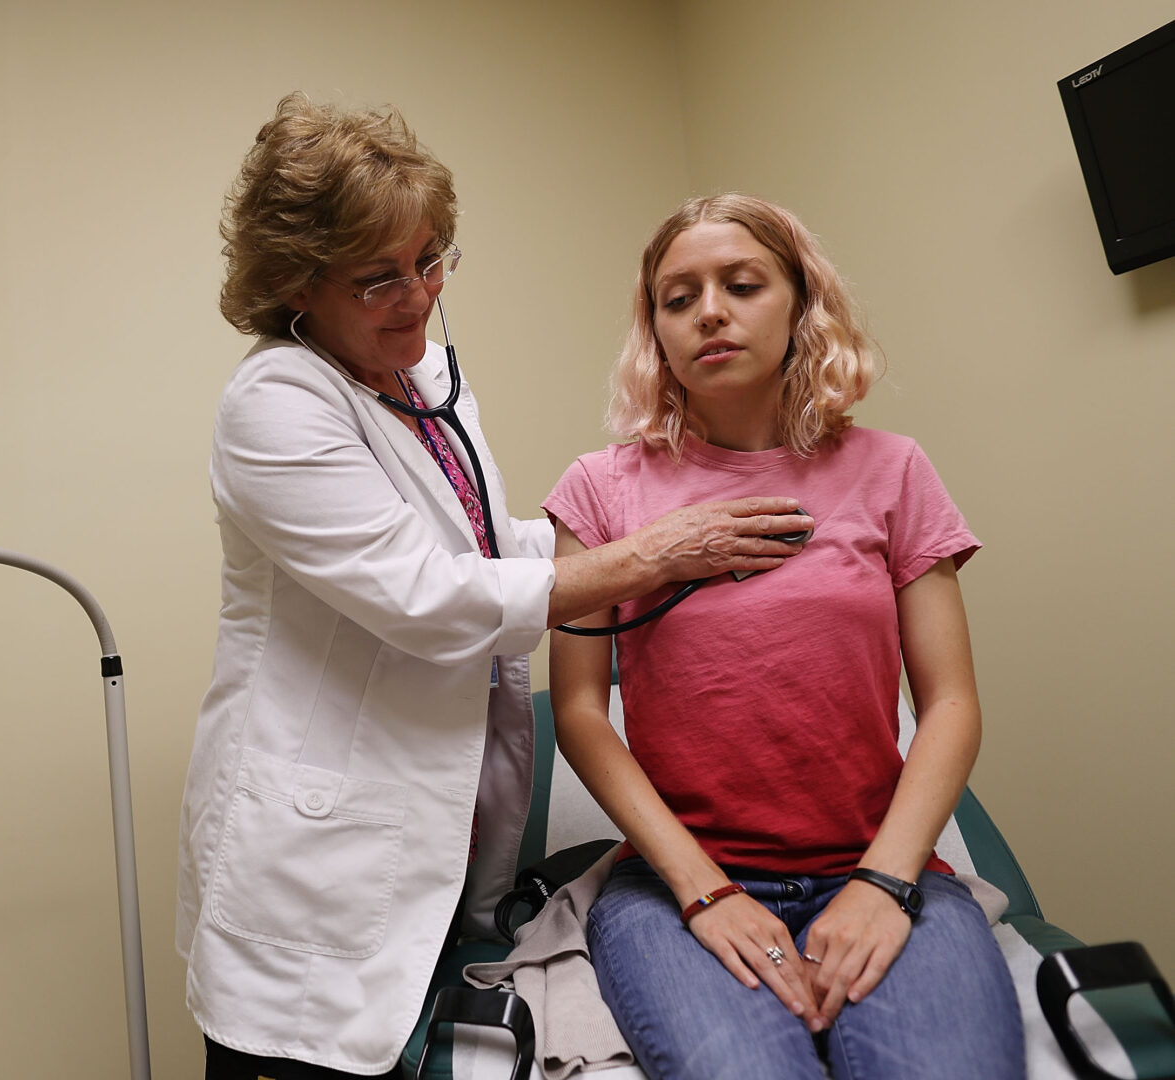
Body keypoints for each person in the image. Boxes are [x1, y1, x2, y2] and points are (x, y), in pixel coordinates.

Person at [175, 100, 815, 1080]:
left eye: (432, 259)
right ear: (297, 282)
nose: (417, 296)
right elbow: (431, 598)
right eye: (379, 277)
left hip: (443, 828)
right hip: (316, 859)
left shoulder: (422, 375)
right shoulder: (276, 403)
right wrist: (654, 552)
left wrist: (622, 525)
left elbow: (482, 543)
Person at [544, 193, 1025, 1079]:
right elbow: (578, 710)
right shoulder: (599, 490)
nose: (710, 312)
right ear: (654, 329)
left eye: (742, 284)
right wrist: (705, 891)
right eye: (677, 297)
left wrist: (885, 885)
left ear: (802, 303)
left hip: (877, 869)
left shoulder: (894, 471)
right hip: (675, 889)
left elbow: (951, 701)